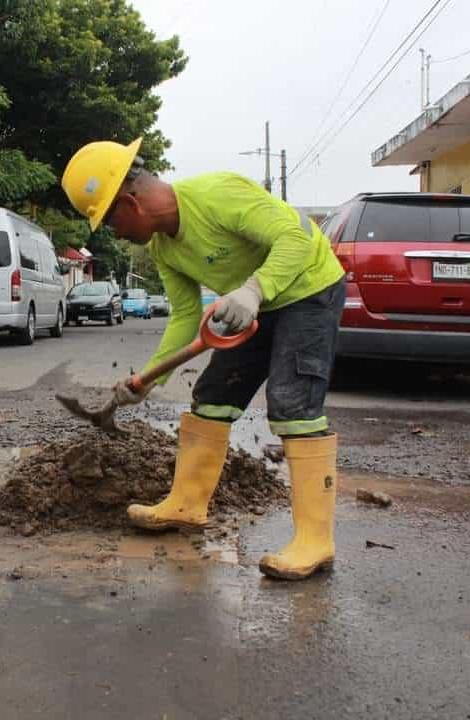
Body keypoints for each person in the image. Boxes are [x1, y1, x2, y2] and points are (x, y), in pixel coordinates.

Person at [61, 138, 345, 581]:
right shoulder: (163, 248)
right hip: (254, 307)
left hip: (308, 290)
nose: (113, 234)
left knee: (292, 404)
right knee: (212, 395)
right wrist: (149, 379)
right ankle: (187, 505)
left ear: (131, 203)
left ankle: (315, 540)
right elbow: (186, 317)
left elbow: (298, 237)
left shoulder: (217, 195)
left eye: (109, 221)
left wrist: (254, 290)